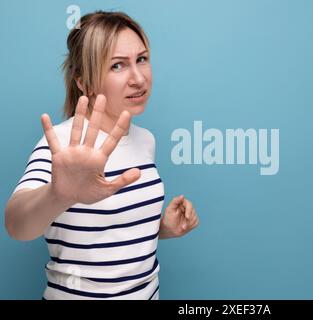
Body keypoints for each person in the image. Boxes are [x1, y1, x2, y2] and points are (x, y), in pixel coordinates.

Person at [4, 11, 199, 300]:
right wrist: (59, 195)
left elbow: (105, 235)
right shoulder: (61, 145)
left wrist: (159, 229)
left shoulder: (146, 140)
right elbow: (16, 225)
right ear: (83, 82)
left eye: (142, 59)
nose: (138, 78)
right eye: (118, 66)